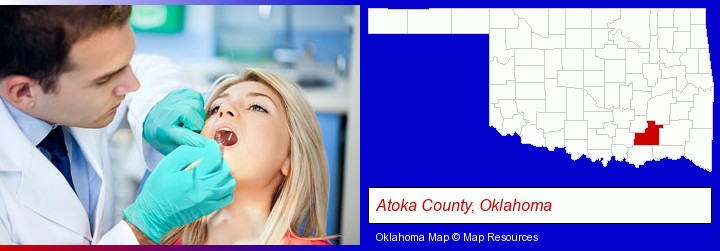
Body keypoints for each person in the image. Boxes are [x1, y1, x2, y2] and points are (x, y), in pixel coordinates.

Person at [0, 6, 235, 244]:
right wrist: (142, 228)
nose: (133, 84)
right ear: (23, 91)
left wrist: (156, 104)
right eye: (104, 80)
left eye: (126, 63)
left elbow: (145, 66)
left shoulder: (71, 81)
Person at [160, 69, 335, 244]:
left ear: (290, 159)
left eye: (257, 107)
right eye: (215, 108)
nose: (224, 109)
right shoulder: (156, 239)